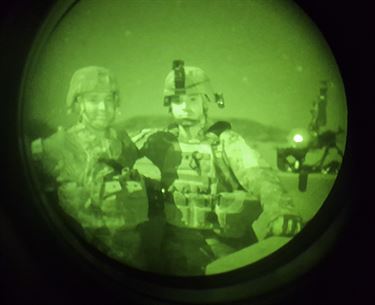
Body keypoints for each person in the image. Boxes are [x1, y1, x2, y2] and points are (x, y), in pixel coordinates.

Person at [135, 60, 304, 276]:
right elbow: (115, 150)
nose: (184, 106)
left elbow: (259, 176)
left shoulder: (227, 141)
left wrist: (281, 210)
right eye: (177, 100)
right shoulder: (159, 140)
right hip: (176, 242)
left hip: (223, 243)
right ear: (169, 105)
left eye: (192, 99)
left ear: (206, 102)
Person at [30, 66, 149, 269]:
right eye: (93, 100)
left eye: (108, 100)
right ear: (79, 104)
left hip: (131, 261)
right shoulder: (58, 144)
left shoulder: (123, 142)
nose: (102, 107)